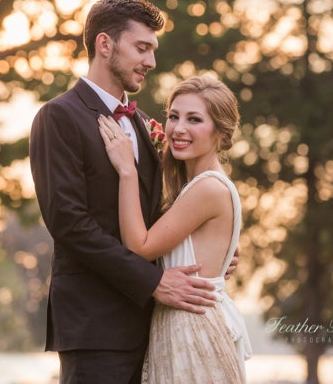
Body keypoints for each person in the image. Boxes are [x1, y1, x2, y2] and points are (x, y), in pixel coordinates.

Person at [29, 0, 226, 384]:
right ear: (105, 45)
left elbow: (156, 218)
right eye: (142, 48)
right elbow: (69, 224)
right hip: (95, 328)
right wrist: (152, 282)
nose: (151, 62)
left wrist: (205, 246)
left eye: (152, 50)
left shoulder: (144, 125)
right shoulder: (59, 117)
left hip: (155, 327)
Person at [98, 75, 252, 382]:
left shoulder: (207, 188)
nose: (178, 128)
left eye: (194, 119)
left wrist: (127, 170)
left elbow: (139, 246)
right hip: (181, 324)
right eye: (173, 116)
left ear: (220, 132)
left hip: (193, 330)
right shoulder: (195, 185)